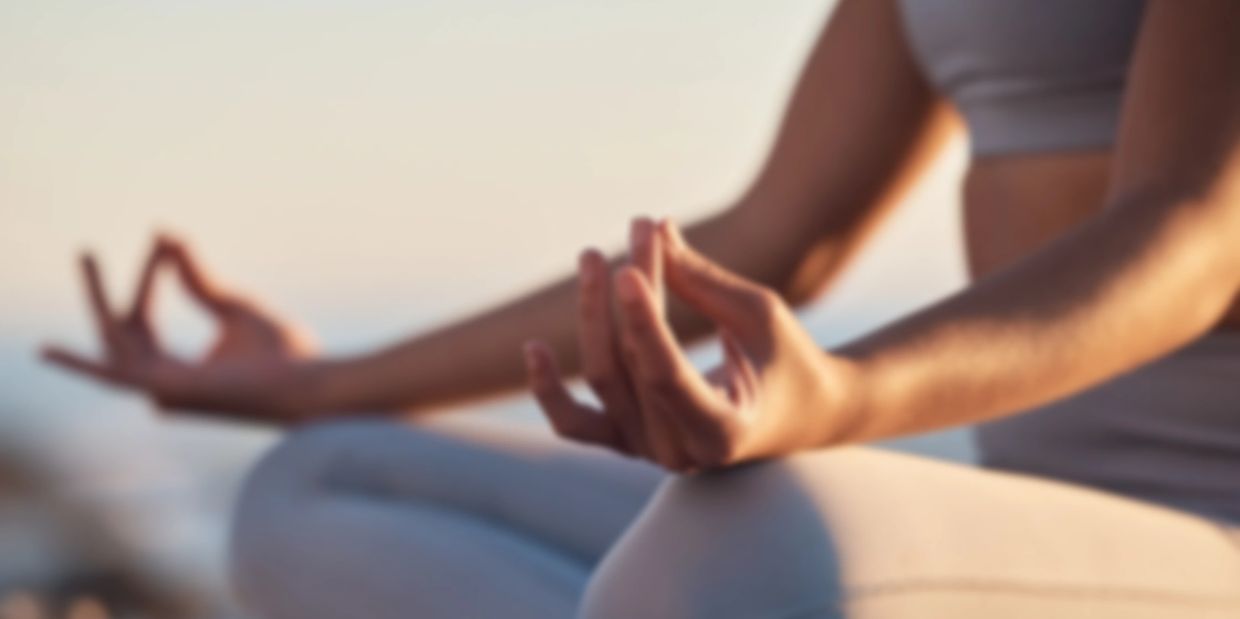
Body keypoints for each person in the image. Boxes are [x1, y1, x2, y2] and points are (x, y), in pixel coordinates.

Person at [44, 0, 1240, 616]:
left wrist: (836, 397)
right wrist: (313, 385)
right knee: (320, 484)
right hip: (1038, 536)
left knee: (749, 541)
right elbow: (775, 234)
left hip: (1212, 544)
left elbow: (1189, 236)